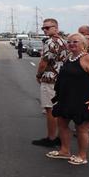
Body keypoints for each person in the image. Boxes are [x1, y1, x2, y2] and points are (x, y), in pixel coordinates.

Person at [45, 33, 89, 165]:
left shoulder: (88, 59)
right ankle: (65, 151)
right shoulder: (69, 57)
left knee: (81, 128)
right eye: (69, 42)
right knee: (62, 124)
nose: (71, 44)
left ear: (83, 44)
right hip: (66, 99)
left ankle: (82, 156)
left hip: (82, 100)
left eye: (75, 42)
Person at [33, 19, 67, 147]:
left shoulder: (50, 42)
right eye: (43, 28)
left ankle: (51, 138)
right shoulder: (63, 41)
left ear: (56, 28)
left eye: (47, 28)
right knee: (58, 110)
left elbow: (44, 62)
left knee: (50, 109)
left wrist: (38, 75)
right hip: (61, 79)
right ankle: (59, 136)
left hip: (50, 78)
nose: (45, 30)